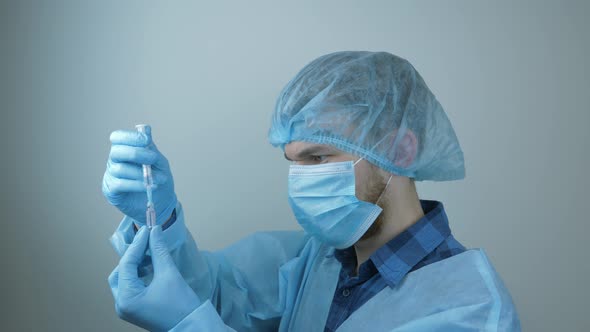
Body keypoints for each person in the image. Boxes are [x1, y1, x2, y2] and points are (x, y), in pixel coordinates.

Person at [102, 51, 521, 331]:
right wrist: (160, 218)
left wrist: (190, 324)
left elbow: (192, 311)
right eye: (293, 162)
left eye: (317, 159)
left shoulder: (470, 310)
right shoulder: (314, 260)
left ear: (400, 149)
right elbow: (214, 291)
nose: (301, 179)